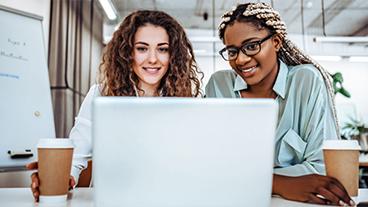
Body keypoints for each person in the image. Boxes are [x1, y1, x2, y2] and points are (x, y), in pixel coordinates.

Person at [27, 10, 203, 202]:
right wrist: (61, 177)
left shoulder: (186, 101)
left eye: (162, 49)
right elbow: (75, 158)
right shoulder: (101, 95)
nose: (153, 58)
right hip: (114, 201)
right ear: (128, 53)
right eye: (142, 48)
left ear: (173, 55)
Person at [205, 2, 354, 206]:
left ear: (276, 42)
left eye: (251, 46)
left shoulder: (306, 81)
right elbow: (211, 168)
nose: (240, 59)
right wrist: (282, 184)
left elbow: (322, 168)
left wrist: (244, 179)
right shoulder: (219, 86)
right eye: (232, 51)